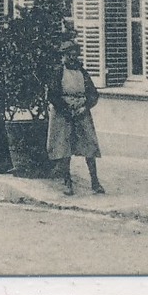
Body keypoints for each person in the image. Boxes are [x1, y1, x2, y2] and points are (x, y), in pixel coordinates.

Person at [46, 36, 104, 196]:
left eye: (74, 55)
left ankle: (95, 182)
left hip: (81, 112)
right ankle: (67, 183)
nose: (72, 58)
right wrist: (67, 110)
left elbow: (93, 94)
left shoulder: (82, 72)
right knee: (64, 149)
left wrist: (84, 107)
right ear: (62, 56)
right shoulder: (58, 73)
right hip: (63, 114)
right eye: (68, 55)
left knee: (89, 146)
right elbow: (52, 95)